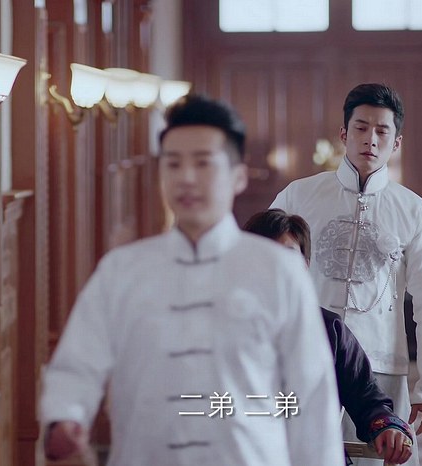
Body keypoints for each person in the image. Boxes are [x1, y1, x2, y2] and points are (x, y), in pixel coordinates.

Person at [39, 95, 344, 465]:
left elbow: (312, 398)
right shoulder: (122, 271)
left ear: (238, 176)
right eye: (173, 164)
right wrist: (66, 417)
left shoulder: (279, 272)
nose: (186, 178)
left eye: (203, 163)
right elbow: (77, 366)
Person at [270, 83, 422, 466]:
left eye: (382, 131)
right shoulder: (298, 196)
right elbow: (259, 271)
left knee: (382, 455)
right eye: (361, 128)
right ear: (344, 133)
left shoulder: (413, 210)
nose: (371, 139)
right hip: (304, 361)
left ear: (396, 142)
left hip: (381, 367)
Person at [244, 208, 414, 465]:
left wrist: (387, 427)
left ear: (305, 265)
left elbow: (366, 397)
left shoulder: (329, 329)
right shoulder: (219, 326)